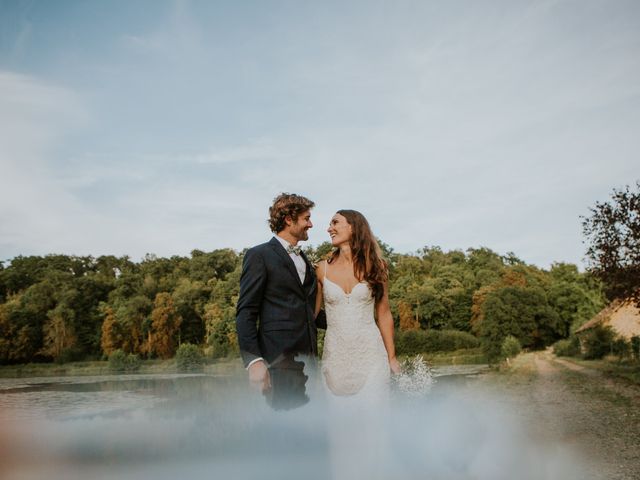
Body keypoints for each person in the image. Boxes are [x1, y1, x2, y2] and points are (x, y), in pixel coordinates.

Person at [236, 193, 326, 410]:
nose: (310, 224)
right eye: (306, 218)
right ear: (289, 219)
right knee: (285, 431)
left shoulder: (305, 259)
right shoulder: (259, 255)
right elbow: (246, 311)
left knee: (309, 429)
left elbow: (307, 310)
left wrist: (351, 320)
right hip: (278, 360)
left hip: (310, 360)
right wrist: (254, 361)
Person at [315, 209, 401, 400]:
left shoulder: (377, 267)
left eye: (335, 223)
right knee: (339, 426)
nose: (329, 228)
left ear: (353, 227)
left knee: (374, 424)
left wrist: (392, 357)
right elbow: (310, 315)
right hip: (335, 360)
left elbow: (384, 313)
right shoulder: (321, 269)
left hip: (372, 358)